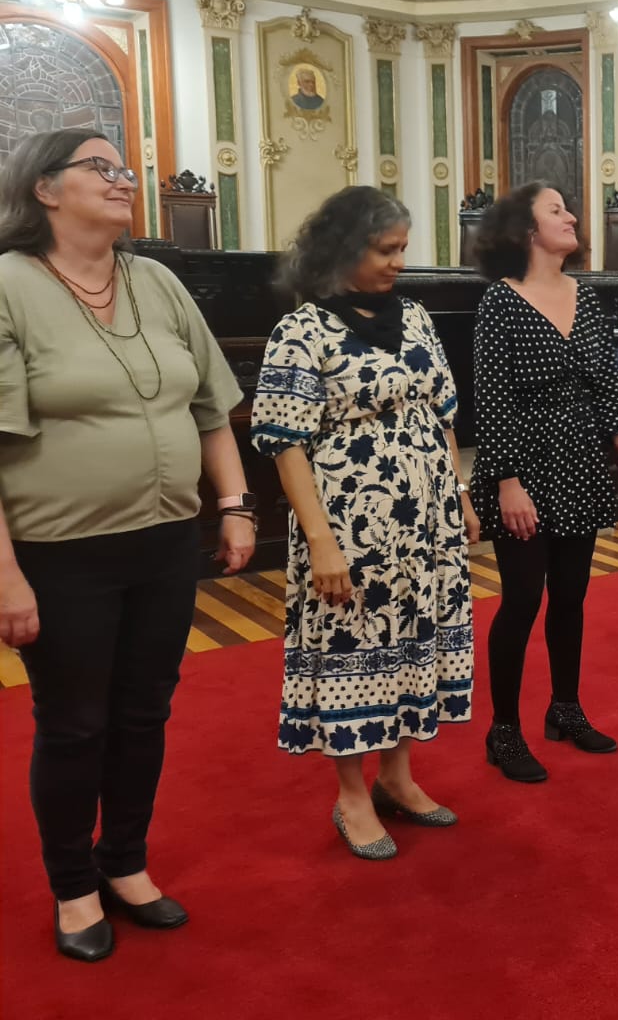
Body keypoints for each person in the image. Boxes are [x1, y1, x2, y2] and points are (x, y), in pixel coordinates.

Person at [0, 128, 255, 961]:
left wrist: (235, 504)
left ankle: (126, 862)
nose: (122, 181)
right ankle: (74, 885)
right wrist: (6, 578)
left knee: (144, 711)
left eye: (125, 169)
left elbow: (211, 406)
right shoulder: (8, 286)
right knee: (74, 724)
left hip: (163, 542)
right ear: (44, 188)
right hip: (59, 551)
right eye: (99, 169)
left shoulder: (155, 279)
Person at [252, 186, 478, 861]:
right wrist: (320, 540)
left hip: (425, 520)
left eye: (402, 249)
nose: (397, 263)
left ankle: (398, 777)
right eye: (386, 250)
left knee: (412, 637)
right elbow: (283, 440)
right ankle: (352, 793)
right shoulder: (301, 329)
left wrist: (460, 496)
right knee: (350, 646)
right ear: (343, 251)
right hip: (347, 523)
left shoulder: (414, 318)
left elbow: (441, 411)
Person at [470, 181, 618, 781]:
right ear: (526, 229)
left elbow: (607, 383)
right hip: (524, 467)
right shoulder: (501, 301)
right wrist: (506, 483)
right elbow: (491, 401)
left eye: (569, 208)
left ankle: (565, 709)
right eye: (556, 210)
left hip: (580, 460)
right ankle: (504, 731)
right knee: (521, 600)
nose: (571, 216)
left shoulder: (586, 297)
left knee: (571, 596)